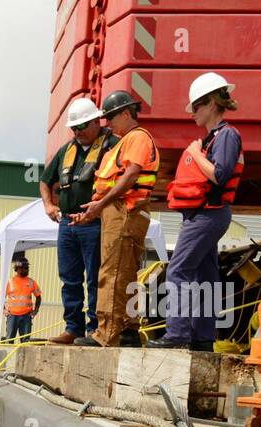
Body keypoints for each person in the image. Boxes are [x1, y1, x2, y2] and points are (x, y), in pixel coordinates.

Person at [147, 72, 244, 350]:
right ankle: (203, 339)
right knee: (205, 276)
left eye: (197, 106)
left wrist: (197, 154)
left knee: (178, 270)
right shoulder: (215, 137)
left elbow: (221, 175)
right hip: (208, 214)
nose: (193, 113)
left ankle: (177, 334)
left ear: (212, 103)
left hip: (208, 214)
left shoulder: (226, 135)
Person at [70, 90, 159, 347]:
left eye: (110, 117)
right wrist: (90, 212)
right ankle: (128, 331)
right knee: (126, 273)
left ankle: (106, 333)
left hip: (125, 211)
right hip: (119, 211)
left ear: (125, 113)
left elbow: (130, 176)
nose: (107, 123)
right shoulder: (123, 142)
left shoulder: (137, 138)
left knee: (113, 272)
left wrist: (101, 205)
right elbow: (110, 185)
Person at [40, 97, 118, 344]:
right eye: (74, 128)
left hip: (94, 223)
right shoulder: (66, 150)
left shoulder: (112, 145)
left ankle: (96, 328)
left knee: (96, 278)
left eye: (82, 126)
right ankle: (73, 328)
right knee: (69, 278)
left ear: (97, 121)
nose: (77, 132)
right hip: (67, 225)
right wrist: (48, 205)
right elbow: (45, 180)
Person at [3, 257, 41, 341]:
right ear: (17, 269)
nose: (27, 270)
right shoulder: (10, 282)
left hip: (26, 316)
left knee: (25, 341)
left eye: (27, 268)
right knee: (9, 340)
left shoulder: (31, 282)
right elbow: (0, 296)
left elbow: (38, 297)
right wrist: (4, 309)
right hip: (12, 316)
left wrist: (35, 310)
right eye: (25, 268)